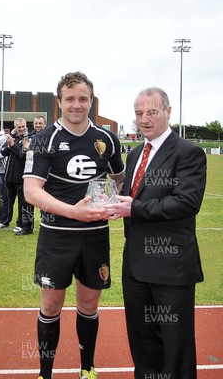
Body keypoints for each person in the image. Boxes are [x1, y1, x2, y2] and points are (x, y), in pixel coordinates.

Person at [24, 71, 125, 379]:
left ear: (91, 101)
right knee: (52, 303)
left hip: (95, 237)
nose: (77, 104)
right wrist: (73, 211)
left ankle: (87, 369)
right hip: (57, 237)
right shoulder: (44, 140)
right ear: (59, 102)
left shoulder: (106, 139)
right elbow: (31, 191)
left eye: (83, 99)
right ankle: (45, 373)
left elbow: (119, 179)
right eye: (70, 99)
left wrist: (113, 200)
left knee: (89, 303)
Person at [105, 87, 206, 378]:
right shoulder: (135, 154)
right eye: (139, 113)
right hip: (135, 266)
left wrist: (134, 208)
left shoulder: (188, 152)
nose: (144, 119)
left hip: (171, 266)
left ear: (168, 111)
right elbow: (130, 195)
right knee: (142, 343)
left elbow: (187, 202)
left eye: (152, 112)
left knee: (176, 347)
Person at [1, 118, 33, 235]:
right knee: (7, 201)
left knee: (23, 203)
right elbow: (3, 151)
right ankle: (5, 221)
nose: (21, 129)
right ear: (15, 127)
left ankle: (22, 224)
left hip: (22, 177)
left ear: (26, 126)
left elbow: (22, 155)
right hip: (9, 176)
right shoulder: (13, 137)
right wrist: (10, 145)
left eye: (23, 126)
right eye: (19, 127)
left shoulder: (29, 138)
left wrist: (13, 145)